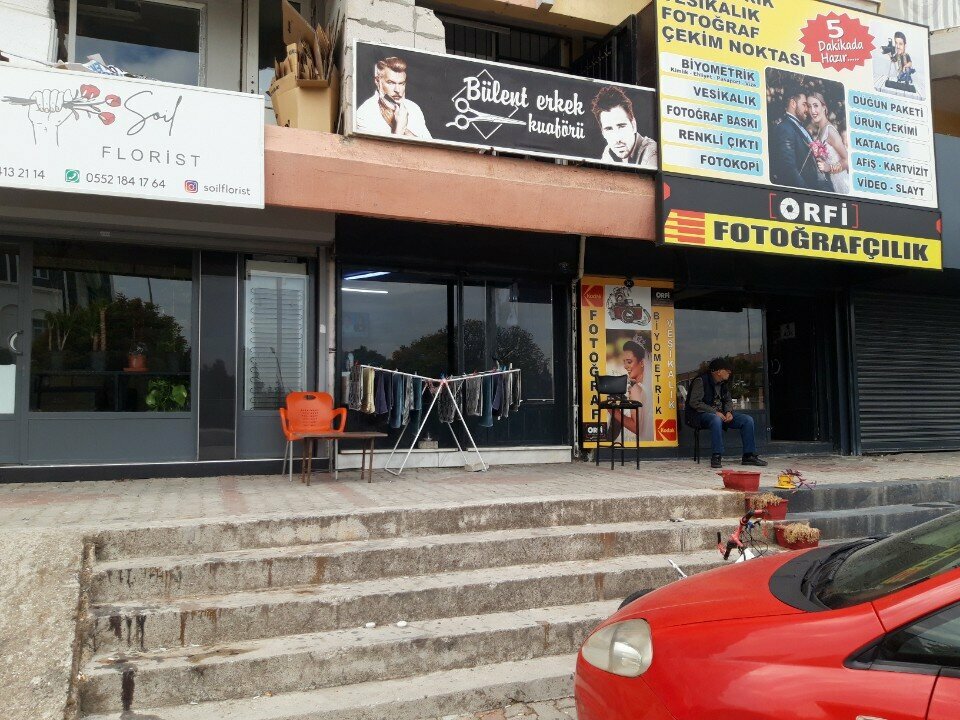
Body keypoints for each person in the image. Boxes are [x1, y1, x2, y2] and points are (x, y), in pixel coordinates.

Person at [688, 358, 767, 469]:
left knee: (747, 420)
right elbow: (694, 402)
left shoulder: (723, 383)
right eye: (727, 370)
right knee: (716, 419)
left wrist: (729, 412)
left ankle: (748, 456)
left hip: (722, 415)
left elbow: (728, 400)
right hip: (702, 416)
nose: (730, 372)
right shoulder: (701, 381)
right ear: (718, 371)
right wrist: (715, 412)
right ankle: (716, 455)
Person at [770, 87, 832, 192]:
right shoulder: (785, 128)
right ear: (793, 104)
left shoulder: (803, 129)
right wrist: (806, 193)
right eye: (804, 105)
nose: (807, 110)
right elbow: (788, 168)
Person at [355, 56, 432, 139]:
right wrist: (399, 129)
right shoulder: (364, 113)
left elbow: (430, 149)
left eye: (401, 83)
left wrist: (405, 131)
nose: (397, 90)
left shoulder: (413, 108)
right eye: (391, 83)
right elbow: (381, 152)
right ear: (377, 81)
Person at [591, 86, 657, 168]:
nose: (617, 139)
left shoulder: (652, 153)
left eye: (621, 126)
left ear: (633, 126)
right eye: (608, 129)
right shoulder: (608, 152)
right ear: (603, 133)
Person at [807, 92, 850, 195]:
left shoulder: (829, 131)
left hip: (841, 183)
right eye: (809, 106)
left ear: (824, 107)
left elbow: (847, 160)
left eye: (816, 105)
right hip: (830, 184)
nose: (812, 111)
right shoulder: (820, 131)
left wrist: (829, 168)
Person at [609, 340, 652, 442]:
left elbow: (637, 428)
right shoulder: (648, 387)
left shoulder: (636, 389)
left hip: (631, 441)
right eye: (624, 362)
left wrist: (613, 411)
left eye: (629, 362)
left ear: (641, 362)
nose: (625, 366)